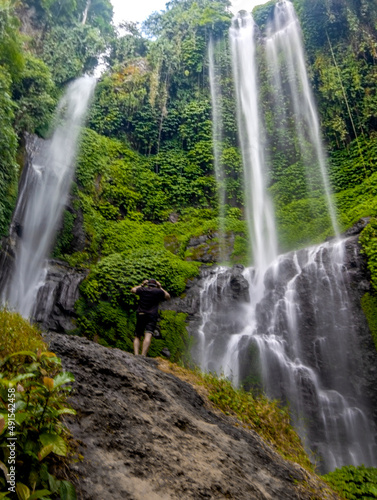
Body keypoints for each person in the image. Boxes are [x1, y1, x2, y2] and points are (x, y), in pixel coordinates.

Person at [131, 278, 170, 356]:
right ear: (155, 285)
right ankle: (143, 355)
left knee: (138, 335)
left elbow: (133, 290)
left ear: (148, 284)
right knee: (148, 335)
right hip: (152, 315)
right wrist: (160, 287)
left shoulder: (142, 290)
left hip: (141, 314)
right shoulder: (158, 291)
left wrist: (142, 284)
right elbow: (168, 296)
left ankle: (136, 354)